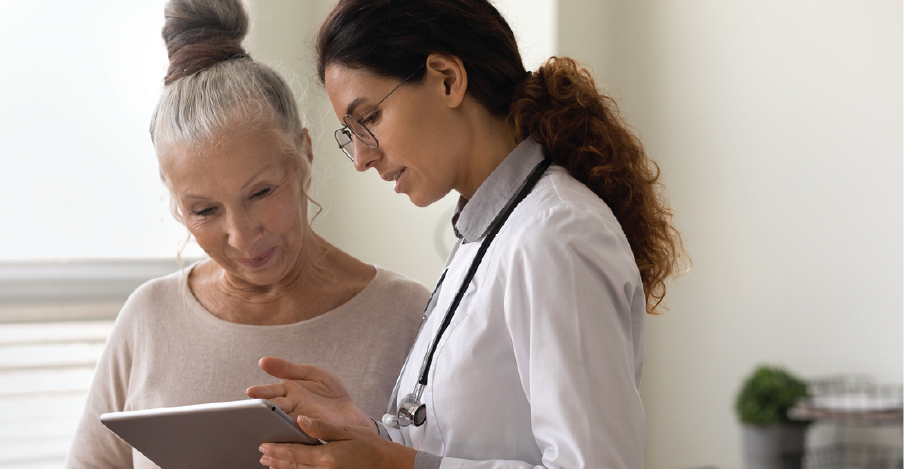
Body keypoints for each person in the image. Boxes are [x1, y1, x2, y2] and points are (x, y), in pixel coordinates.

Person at [247, 0, 687, 468]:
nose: (361, 158)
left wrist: (397, 465)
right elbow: (470, 441)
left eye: (370, 118)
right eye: (349, 132)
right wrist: (369, 434)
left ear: (447, 79)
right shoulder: (489, 233)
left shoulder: (555, 234)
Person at [64, 0, 430, 467]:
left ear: (304, 154)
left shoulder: (408, 317)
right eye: (205, 210)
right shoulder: (147, 320)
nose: (241, 236)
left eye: (260, 193)